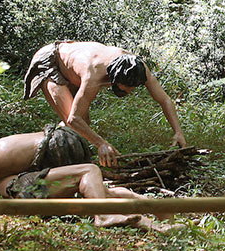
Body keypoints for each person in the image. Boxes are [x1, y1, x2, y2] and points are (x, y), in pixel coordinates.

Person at [0, 125, 166, 229]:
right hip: (26, 187)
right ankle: (105, 215)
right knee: (89, 172)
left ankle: (154, 216)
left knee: (96, 187)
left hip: (27, 186)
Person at [23, 40, 185, 165]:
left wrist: (178, 132)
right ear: (112, 79)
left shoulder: (138, 67)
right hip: (51, 61)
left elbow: (164, 100)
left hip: (72, 66)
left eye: (133, 87)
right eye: (126, 88)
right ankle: (33, 155)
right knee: (75, 124)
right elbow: (74, 119)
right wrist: (101, 144)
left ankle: (55, 148)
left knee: (82, 125)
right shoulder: (93, 74)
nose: (130, 92)